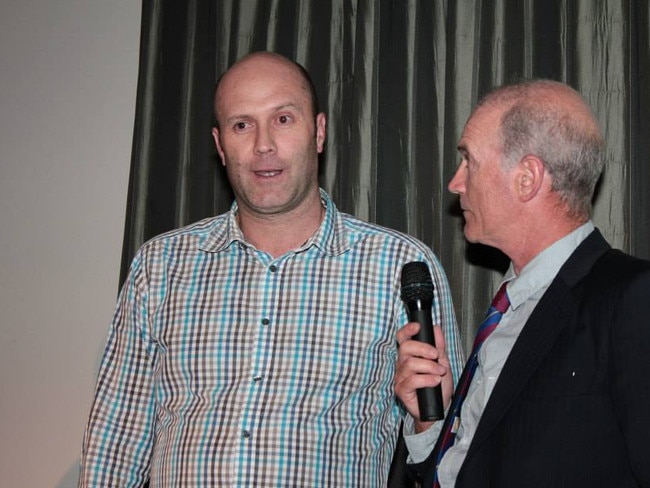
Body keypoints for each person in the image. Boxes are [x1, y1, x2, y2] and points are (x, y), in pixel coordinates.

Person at [78, 51, 464, 487]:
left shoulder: (401, 266)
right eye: (242, 125)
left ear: (318, 132)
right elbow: (115, 446)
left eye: (283, 119)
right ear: (221, 145)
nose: (263, 144)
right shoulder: (161, 265)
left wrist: (427, 424)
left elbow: (454, 453)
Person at [395, 78, 650, 487]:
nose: (455, 183)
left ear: (527, 178)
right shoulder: (508, 310)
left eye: (469, 162)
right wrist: (431, 424)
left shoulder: (631, 298)